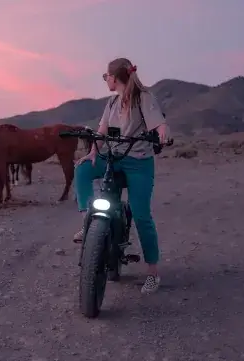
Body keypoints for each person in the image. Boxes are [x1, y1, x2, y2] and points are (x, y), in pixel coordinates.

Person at [72, 57, 171, 294]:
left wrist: (162, 134)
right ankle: (88, 221)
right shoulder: (112, 103)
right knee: (83, 169)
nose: (105, 80)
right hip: (114, 159)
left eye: (106, 76)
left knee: (141, 215)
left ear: (114, 78)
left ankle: (153, 273)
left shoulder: (144, 98)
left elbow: (160, 124)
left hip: (138, 163)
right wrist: (94, 151)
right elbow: (101, 131)